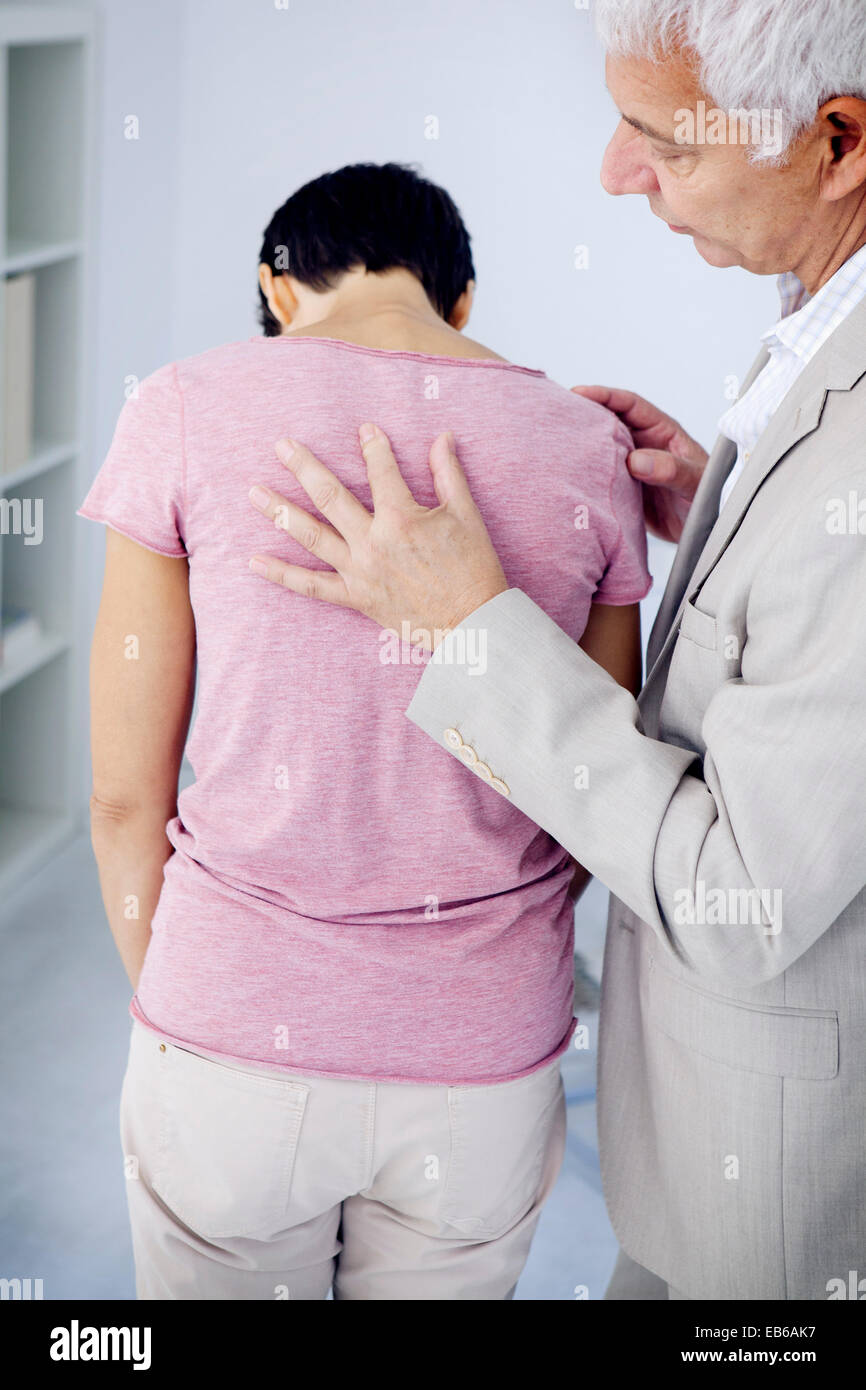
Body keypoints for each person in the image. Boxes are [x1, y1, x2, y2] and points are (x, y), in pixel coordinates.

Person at [247, 3, 866, 1301]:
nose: (613, 174)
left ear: (837, 141)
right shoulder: (818, 324)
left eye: (663, 145)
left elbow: (734, 888)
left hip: (774, 1209)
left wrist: (468, 629)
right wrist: (719, 516)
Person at [79, 161, 651, 1300]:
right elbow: (592, 796)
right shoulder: (589, 448)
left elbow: (123, 797)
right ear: (462, 298)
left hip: (228, 1035)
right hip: (479, 1060)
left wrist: (199, 998)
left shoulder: (185, 405)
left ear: (277, 288)